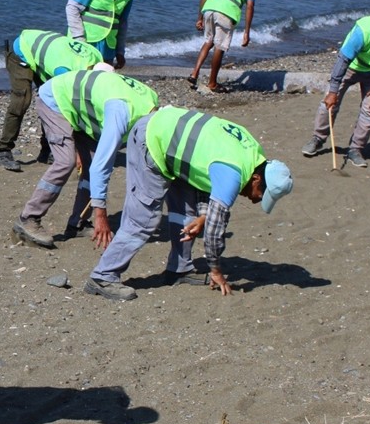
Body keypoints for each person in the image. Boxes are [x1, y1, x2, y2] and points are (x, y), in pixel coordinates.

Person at [85, 106, 293, 301]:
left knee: (186, 212)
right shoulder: (234, 173)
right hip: (151, 139)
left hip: (174, 142)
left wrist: (204, 215)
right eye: (261, 194)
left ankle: (179, 269)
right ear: (256, 179)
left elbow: (204, 174)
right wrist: (215, 270)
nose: (256, 200)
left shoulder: (254, 155)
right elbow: (214, 232)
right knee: (144, 218)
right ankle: (103, 276)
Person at [12, 64, 158, 249]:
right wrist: (101, 215)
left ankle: (78, 223)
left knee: (90, 164)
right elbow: (101, 167)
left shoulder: (151, 102)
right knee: (66, 161)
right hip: (55, 99)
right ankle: (28, 218)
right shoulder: (121, 112)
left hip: (85, 109)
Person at [301, 10, 370, 168]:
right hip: (352, 67)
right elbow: (343, 61)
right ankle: (317, 139)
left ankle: (355, 149)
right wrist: (333, 91)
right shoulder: (363, 30)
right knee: (329, 103)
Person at [0, 29, 104, 171]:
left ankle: (47, 151)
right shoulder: (64, 71)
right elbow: (70, 106)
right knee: (22, 100)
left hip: (48, 54)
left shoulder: (97, 57)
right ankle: (3, 150)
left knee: (50, 102)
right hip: (22, 49)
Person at [188, 0, 259, 93]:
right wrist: (247, 32)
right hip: (226, 13)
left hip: (209, 9)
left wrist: (199, 18)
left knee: (208, 41)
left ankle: (194, 73)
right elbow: (250, 5)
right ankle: (212, 83)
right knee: (219, 47)